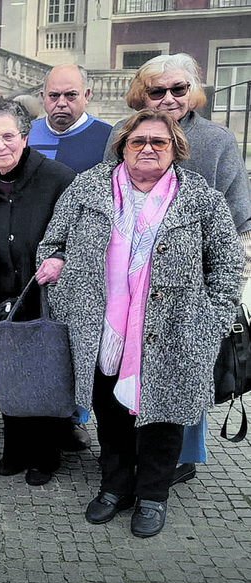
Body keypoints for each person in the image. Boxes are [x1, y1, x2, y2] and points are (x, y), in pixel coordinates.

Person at [37, 109, 242, 537]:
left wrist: (211, 323)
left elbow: (227, 267)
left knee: (163, 418)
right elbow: (52, 245)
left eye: (159, 142)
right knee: (110, 414)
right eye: (138, 141)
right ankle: (115, 487)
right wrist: (60, 281)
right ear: (122, 148)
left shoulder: (200, 197)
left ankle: (152, 495)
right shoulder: (87, 188)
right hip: (101, 329)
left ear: (175, 150)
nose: (148, 148)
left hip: (176, 330)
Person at [104, 53, 251, 485]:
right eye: (157, 90)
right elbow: (107, 194)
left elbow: (239, 216)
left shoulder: (216, 140)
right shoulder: (121, 133)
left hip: (190, 283)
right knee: (129, 367)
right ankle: (129, 454)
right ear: (141, 94)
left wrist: (217, 301)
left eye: (178, 89)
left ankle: (180, 458)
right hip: (130, 277)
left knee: (184, 373)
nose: (168, 98)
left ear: (193, 93)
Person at [0, 99, 76, 486]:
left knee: (46, 373)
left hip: (46, 295)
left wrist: (62, 257)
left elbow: (81, 234)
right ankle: (14, 448)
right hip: (0, 294)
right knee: (10, 372)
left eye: (7, 136)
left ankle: (45, 454)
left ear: (25, 136)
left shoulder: (58, 177)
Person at [27, 65, 112, 174]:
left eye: (71, 95)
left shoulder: (108, 137)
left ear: (86, 96)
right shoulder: (24, 134)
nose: (61, 103)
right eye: (54, 95)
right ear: (43, 97)